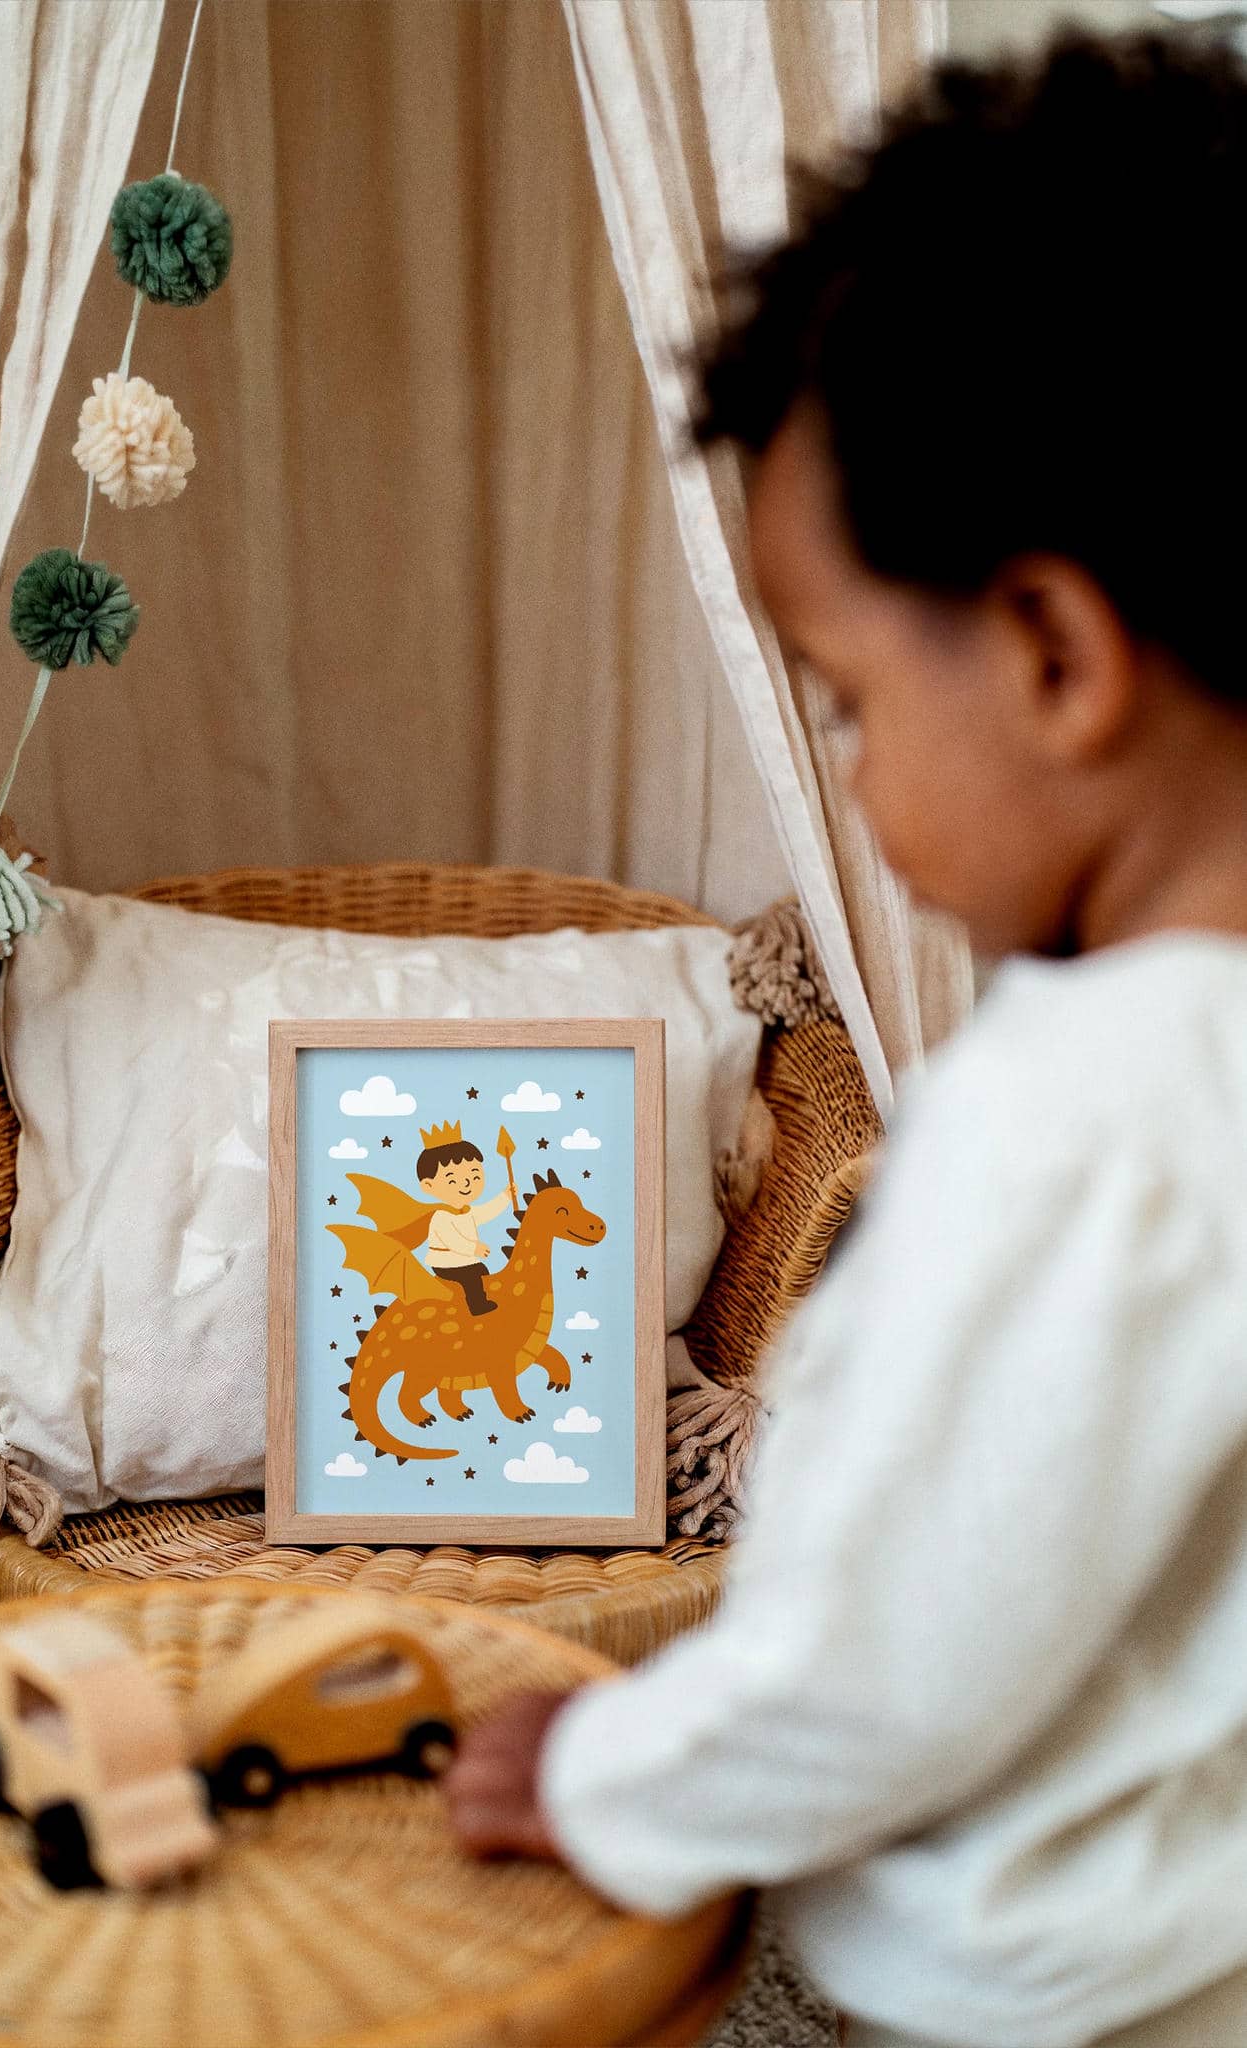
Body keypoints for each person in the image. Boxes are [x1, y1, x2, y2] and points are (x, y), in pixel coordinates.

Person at [444, 25, 1247, 2047]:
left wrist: (604, 1775)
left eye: (850, 703)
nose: (857, 781)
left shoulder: (1084, 1110)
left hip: (1032, 1997)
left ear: (1054, 653)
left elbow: (889, 1660)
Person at [416, 1120, 511, 1316]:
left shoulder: (467, 1211)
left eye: (475, 1176)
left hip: (464, 1260)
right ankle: (477, 1307)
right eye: (452, 1180)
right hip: (445, 1262)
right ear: (428, 1186)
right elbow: (453, 1240)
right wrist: (473, 1248)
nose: (467, 1183)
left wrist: (506, 1196)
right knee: (472, 1278)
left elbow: (487, 1211)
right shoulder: (441, 1216)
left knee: (481, 1271)